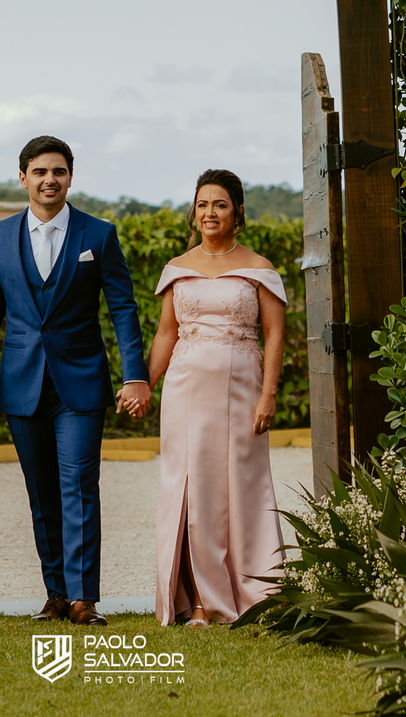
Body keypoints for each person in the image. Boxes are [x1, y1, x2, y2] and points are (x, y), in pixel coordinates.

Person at [0, 135, 150, 628]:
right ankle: (55, 592)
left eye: (59, 171)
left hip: (80, 383)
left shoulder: (99, 234)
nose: (49, 180)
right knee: (41, 492)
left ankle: (83, 598)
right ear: (24, 178)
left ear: (71, 176)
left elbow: (122, 308)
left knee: (79, 486)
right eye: (39, 171)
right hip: (22, 382)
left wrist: (133, 374)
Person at [148, 167, 287, 627]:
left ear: (238, 212)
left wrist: (268, 395)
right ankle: (201, 602)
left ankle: (257, 591)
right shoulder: (177, 269)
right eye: (203, 204)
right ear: (194, 212)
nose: (210, 212)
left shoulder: (260, 268)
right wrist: (143, 383)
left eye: (220, 204)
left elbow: (274, 335)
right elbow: (167, 334)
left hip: (243, 391)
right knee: (191, 489)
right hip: (185, 391)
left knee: (242, 489)